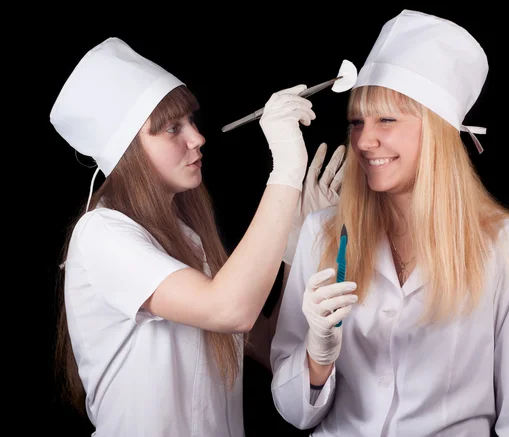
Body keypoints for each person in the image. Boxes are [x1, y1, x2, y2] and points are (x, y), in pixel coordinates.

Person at [270, 9, 509, 437]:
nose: (365, 141)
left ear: (439, 131)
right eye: (357, 122)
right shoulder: (322, 232)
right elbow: (295, 412)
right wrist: (317, 354)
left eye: (387, 119)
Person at [50, 36, 344, 436]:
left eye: (191, 121)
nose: (197, 138)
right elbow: (229, 308)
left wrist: (293, 241)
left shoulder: (188, 238)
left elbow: (268, 341)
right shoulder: (102, 235)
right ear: (127, 151)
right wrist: (287, 169)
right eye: (173, 128)